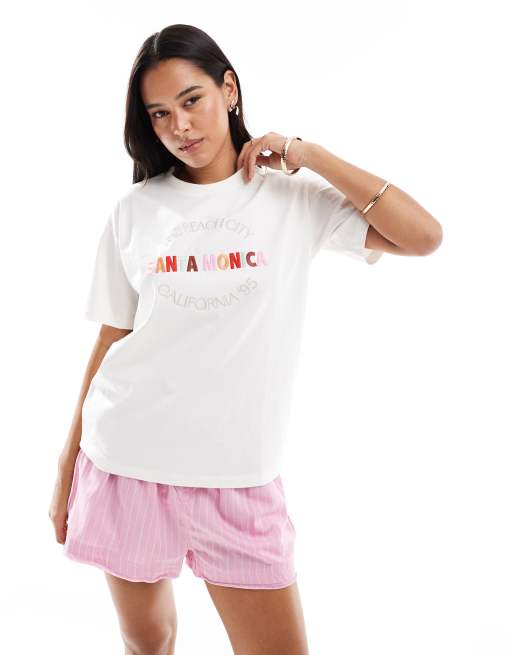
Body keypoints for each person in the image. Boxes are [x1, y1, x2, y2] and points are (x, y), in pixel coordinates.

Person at [48, 23, 442, 655]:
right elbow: (112, 338)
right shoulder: (135, 211)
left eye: (192, 100)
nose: (179, 126)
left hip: (238, 476)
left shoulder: (293, 200)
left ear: (228, 89)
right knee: (148, 641)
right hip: (125, 459)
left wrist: (309, 154)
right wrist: (66, 465)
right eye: (159, 113)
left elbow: (423, 236)